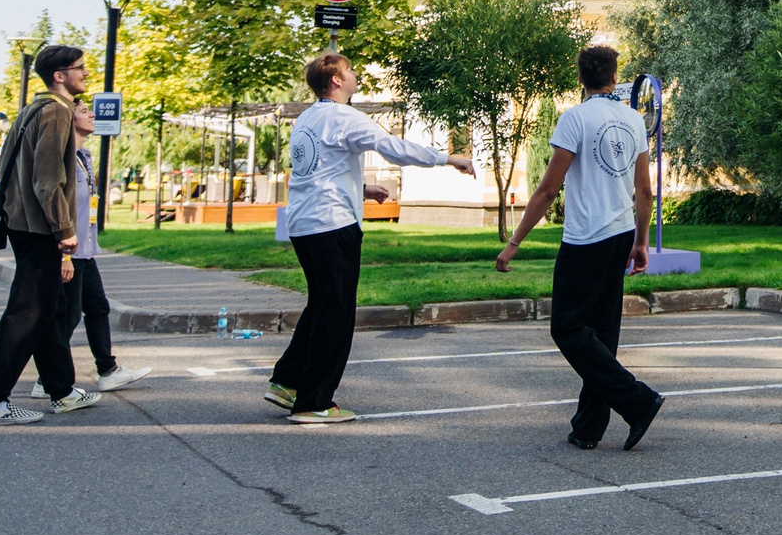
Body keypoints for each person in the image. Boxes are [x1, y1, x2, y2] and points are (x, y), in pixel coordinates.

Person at [268, 51, 472, 425]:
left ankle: (287, 381)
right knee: (336, 311)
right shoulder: (345, 118)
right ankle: (314, 402)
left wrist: (361, 188)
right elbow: (394, 148)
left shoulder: (307, 120)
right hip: (333, 226)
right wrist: (447, 159)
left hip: (305, 225)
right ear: (336, 81)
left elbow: (316, 171)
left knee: (321, 304)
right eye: (349, 70)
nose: (355, 74)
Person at [496, 45, 663, 452]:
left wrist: (513, 243)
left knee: (567, 327)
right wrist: (641, 241)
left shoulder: (574, 119)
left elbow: (548, 189)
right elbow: (644, 190)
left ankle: (638, 401)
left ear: (580, 78)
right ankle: (588, 427)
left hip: (585, 238)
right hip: (622, 232)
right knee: (601, 334)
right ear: (613, 75)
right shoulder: (633, 119)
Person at [0, 46, 102, 426]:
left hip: (21, 221)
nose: (85, 73)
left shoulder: (31, 109)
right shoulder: (56, 113)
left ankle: (61, 390)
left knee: (48, 309)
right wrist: (65, 231)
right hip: (38, 226)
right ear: (60, 76)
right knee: (27, 312)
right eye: (79, 69)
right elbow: (48, 180)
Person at [23, 100, 152, 399]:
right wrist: (64, 254)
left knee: (97, 308)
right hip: (69, 250)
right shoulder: (63, 158)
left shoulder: (83, 156)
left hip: (86, 249)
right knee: (66, 319)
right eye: (84, 112)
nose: (93, 114)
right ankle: (46, 380)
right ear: (69, 120)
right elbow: (59, 205)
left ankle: (107, 370)